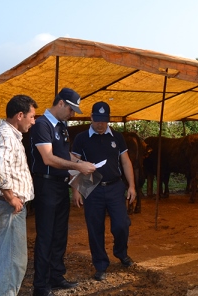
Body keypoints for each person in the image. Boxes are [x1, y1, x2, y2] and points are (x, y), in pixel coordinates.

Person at [29, 87, 96, 296]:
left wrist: (81, 162)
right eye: (71, 109)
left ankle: (56, 276)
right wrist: (78, 167)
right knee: (46, 236)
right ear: (60, 103)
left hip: (60, 184)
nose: (72, 114)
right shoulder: (42, 125)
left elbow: (64, 154)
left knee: (60, 234)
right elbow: (48, 158)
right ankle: (41, 285)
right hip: (46, 185)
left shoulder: (62, 126)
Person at [72, 101, 137, 281]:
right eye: (97, 120)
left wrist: (131, 185)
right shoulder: (81, 138)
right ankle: (100, 264)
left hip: (115, 186)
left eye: (104, 121)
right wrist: (76, 190)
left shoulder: (117, 137)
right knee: (95, 228)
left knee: (121, 224)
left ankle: (121, 252)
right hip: (90, 186)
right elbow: (74, 164)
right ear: (91, 117)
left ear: (109, 119)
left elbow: (125, 162)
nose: (101, 124)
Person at [0, 95, 37, 295]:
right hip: (7, 207)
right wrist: (11, 197)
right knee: (13, 261)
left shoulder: (5, 134)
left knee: (5, 257)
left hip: (2, 205)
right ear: (20, 115)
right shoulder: (7, 136)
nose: (33, 121)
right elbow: (0, 169)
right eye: (31, 117)